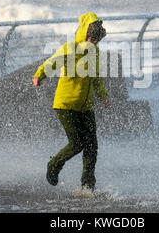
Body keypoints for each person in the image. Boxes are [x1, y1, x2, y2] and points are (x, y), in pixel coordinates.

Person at [32, 12, 109, 192]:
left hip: (86, 106)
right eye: (92, 39)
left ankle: (87, 185)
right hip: (65, 104)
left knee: (92, 145)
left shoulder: (95, 52)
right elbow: (52, 63)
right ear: (86, 34)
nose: (95, 44)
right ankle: (54, 164)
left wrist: (103, 96)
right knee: (77, 143)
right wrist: (39, 75)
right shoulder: (70, 48)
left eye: (97, 41)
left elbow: (96, 78)